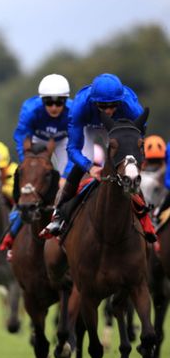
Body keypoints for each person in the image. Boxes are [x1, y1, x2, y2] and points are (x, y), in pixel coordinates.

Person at [42, 73, 145, 237]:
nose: (109, 110)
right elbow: (73, 149)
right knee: (86, 156)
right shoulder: (80, 106)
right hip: (89, 128)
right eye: (103, 106)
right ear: (93, 102)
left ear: (121, 101)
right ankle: (59, 214)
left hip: (118, 129)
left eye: (114, 105)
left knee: (129, 166)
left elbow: (139, 137)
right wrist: (89, 168)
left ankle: (146, 219)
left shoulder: (131, 107)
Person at [0, 74, 72, 253]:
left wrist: (64, 176)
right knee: (26, 180)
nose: (54, 107)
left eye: (59, 102)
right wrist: (26, 160)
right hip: (38, 139)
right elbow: (21, 136)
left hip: (64, 141)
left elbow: (77, 141)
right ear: (42, 101)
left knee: (68, 182)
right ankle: (12, 234)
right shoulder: (30, 110)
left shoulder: (74, 111)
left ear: (66, 101)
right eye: (49, 102)